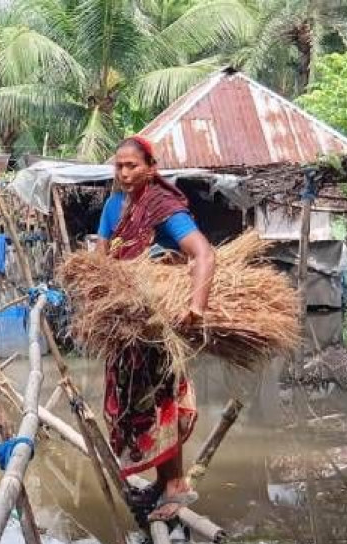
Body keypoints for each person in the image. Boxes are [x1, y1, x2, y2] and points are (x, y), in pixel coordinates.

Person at [97, 136, 216, 521]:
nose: (125, 173)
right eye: (119, 166)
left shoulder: (163, 207)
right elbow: (102, 259)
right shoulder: (114, 206)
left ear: (151, 167)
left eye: (132, 166)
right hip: (124, 325)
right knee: (134, 405)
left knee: (161, 401)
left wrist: (196, 305)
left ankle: (176, 485)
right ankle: (163, 481)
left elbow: (203, 252)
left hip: (156, 326)